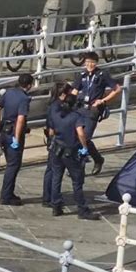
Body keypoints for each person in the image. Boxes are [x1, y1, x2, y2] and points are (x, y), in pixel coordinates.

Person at [48, 87, 99, 220]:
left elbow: (51, 132)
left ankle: (56, 206)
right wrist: (84, 147)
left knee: (56, 178)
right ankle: (82, 209)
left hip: (57, 149)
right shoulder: (76, 117)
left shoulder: (57, 114)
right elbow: (81, 133)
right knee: (77, 181)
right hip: (71, 152)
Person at [71, 51, 121, 175]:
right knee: (77, 137)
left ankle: (95, 160)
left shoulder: (102, 74)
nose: (89, 65)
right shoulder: (81, 75)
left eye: (92, 62)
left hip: (92, 110)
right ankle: (80, 164)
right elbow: (75, 90)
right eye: (87, 62)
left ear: (96, 63)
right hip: (80, 108)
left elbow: (117, 89)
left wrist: (103, 100)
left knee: (86, 137)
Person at [0, 73, 33, 205]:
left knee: (12, 164)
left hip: (4, 131)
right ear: (29, 85)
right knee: (13, 165)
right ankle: (6, 196)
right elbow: (20, 119)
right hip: (13, 134)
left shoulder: (9, 92)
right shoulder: (24, 99)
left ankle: (9, 192)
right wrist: (16, 137)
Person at [42, 81, 71, 207]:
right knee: (55, 171)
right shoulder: (58, 107)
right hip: (57, 140)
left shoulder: (52, 105)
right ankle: (52, 198)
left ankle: (47, 196)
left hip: (52, 139)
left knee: (51, 169)